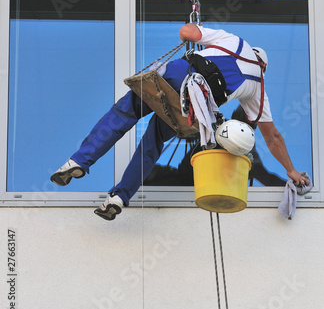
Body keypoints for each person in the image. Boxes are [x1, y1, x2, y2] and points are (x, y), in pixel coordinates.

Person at [50, 23, 307, 220]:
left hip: (175, 78)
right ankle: (119, 197)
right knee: (152, 145)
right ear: (263, 66)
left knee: (124, 113)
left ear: (253, 51)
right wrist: (291, 170)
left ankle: (78, 161)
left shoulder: (235, 42)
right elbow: (272, 138)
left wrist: (192, 28)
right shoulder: (257, 88)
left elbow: (187, 32)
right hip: (192, 107)